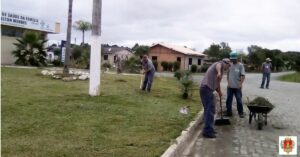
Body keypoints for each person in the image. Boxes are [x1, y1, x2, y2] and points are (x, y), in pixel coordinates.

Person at [200, 58, 231, 138]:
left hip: (206, 89)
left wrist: (219, 92)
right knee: (210, 110)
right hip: (207, 89)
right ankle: (207, 131)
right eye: (229, 65)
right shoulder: (219, 65)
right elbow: (219, 65)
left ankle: (209, 129)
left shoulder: (220, 71)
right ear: (226, 63)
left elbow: (217, 84)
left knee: (209, 110)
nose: (228, 67)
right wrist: (219, 72)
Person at [225, 52, 246, 118]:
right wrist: (228, 83)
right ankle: (229, 112)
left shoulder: (240, 65)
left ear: (237, 58)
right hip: (230, 87)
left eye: (234, 59)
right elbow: (228, 76)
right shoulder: (229, 65)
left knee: (239, 100)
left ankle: (241, 112)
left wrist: (240, 84)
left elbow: (243, 75)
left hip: (237, 87)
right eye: (231, 59)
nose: (232, 60)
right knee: (228, 100)